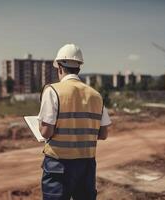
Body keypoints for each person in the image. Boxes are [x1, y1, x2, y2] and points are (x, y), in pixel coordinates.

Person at [38, 43, 111, 200]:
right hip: (86, 167)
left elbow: (46, 131)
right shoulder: (96, 95)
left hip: (58, 166)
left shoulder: (53, 91)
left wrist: (39, 125)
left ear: (59, 67)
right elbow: (103, 134)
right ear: (79, 67)